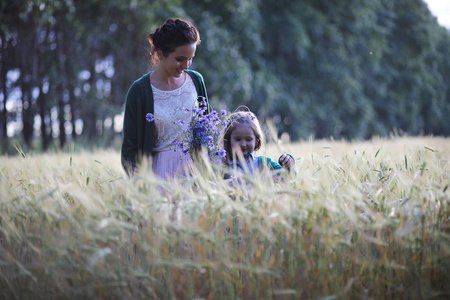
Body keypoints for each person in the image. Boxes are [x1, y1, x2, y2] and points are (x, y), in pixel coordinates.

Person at [121, 18, 209, 178]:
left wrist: (208, 174)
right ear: (160, 54)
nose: (186, 65)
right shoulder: (140, 90)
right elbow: (129, 149)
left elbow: (207, 131)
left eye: (190, 58)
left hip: (195, 176)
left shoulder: (196, 81)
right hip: (158, 176)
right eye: (180, 59)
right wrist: (140, 185)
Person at [222, 109, 298, 179]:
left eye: (248, 139)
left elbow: (290, 177)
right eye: (238, 139)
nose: (243, 144)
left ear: (257, 140)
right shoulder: (222, 168)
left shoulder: (264, 163)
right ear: (228, 140)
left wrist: (289, 165)